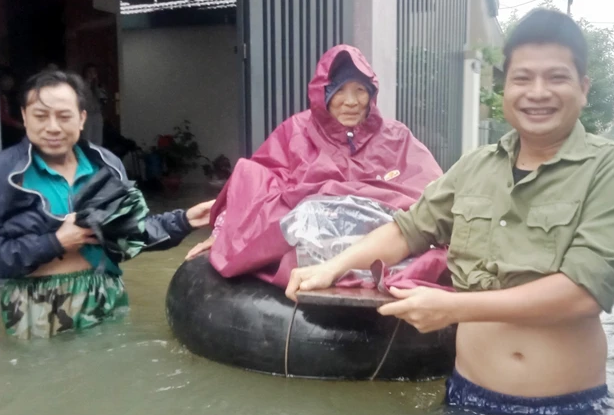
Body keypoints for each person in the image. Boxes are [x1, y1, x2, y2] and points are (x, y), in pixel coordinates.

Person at [286, 9, 614, 415]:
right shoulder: (475, 166)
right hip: (465, 399)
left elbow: (582, 295)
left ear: (583, 88)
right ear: (504, 88)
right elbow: (408, 231)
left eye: (556, 78)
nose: (537, 92)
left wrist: (452, 309)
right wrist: (333, 267)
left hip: (562, 413)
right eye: (522, 78)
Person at [0, 69, 213, 339]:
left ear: (81, 119)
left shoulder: (107, 165)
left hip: (106, 292)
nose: (53, 127)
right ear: (23, 116)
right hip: (37, 303)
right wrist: (56, 242)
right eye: (41, 116)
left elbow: (128, 235)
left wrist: (183, 220)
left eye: (64, 116)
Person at [184, 44, 444, 289]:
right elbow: (256, 182)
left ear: (371, 94)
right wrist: (222, 233)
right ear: (324, 94)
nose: (351, 101)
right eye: (340, 90)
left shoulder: (396, 136)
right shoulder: (296, 131)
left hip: (385, 238)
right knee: (301, 209)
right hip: (317, 239)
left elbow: (430, 192)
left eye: (360, 90)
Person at [82, 63, 108, 146]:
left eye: (94, 72)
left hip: (97, 114)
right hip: (87, 114)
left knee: (98, 140)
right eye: (90, 72)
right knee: (87, 139)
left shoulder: (99, 85)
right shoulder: (82, 85)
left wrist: (96, 86)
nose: (92, 74)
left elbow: (104, 99)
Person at [0, 67, 24, 148]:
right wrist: (17, 124)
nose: (9, 83)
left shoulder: (10, 96)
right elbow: (2, 116)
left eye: (11, 80)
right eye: (6, 80)